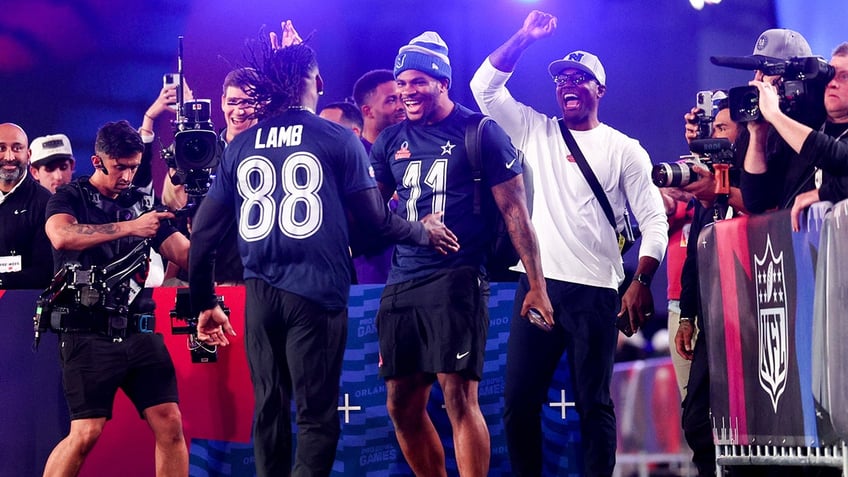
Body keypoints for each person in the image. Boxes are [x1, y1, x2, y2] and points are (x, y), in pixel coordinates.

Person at [188, 37, 459, 477]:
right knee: (316, 418)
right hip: (316, 293)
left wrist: (204, 301)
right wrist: (421, 232)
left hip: (260, 296)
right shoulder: (337, 138)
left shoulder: (240, 145)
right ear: (317, 81)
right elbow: (374, 222)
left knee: (270, 411)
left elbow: (203, 233)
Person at [470, 11, 668, 477]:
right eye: (562, 78)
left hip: (597, 292)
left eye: (582, 78)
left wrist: (641, 280)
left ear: (600, 90)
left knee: (594, 405)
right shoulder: (534, 129)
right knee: (518, 404)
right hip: (539, 288)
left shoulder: (625, 149)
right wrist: (523, 36)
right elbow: (484, 89)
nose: (569, 84)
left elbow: (654, 220)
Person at [371, 31, 552, 477]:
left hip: (458, 279)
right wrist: (416, 229)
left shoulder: (481, 132)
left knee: (457, 397)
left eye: (419, 82)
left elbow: (516, 214)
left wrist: (536, 285)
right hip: (402, 282)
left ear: (442, 83)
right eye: (402, 83)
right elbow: (371, 217)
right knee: (400, 404)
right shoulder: (390, 140)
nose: (408, 92)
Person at [42, 120, 190, 477]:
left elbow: (183, 252)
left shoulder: (142, 201)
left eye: (134, 167)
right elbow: (61, 236)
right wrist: (131, 227)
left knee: (170, 425)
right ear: (97, 161)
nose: (126, 175)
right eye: (119, 167)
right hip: (86, 331)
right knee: (85, 433)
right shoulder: (70, 196)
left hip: (139, 329)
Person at [741, 29, 848, 217]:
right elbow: (756, 200)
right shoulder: (803, 129)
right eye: (830, 75)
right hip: (795, 243)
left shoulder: (796, 131)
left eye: (844, 76)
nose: (832, 83)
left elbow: (839, 157)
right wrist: (758, 134)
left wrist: (823, 194)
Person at [349, 68, 407, 284]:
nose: (401, 106)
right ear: (368, 110)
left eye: (401, 98)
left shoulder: (416, 150)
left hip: (416, 271)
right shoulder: (352, 157)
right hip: (370, 272)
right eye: (392, 100)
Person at [0, 123, 53, 289]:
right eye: (1, 148)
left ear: (28, 155)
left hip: (19, 304)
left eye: (17, 148)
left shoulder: (44, 202)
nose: (9, 157)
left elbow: (45, 272)